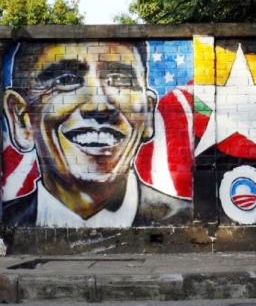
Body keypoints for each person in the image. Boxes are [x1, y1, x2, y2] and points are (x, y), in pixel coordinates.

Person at [2, 41, 190, 227]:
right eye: (66, 81)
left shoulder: (184, 219)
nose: (99, 105)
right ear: (20, 118)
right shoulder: (9, 220)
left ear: (148, 114)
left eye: (121, 81)